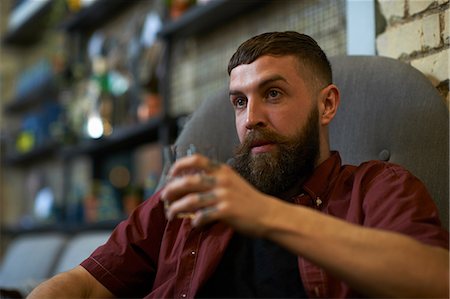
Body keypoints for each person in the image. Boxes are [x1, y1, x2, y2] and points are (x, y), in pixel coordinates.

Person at [28, 31, 449, 299]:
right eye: (240, 101)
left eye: (274, 94)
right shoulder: (187, 202)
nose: (251, 119)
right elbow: (84, 285)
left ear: (327, 104)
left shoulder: (375, 187)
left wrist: (263, 213)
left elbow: (435, 280)